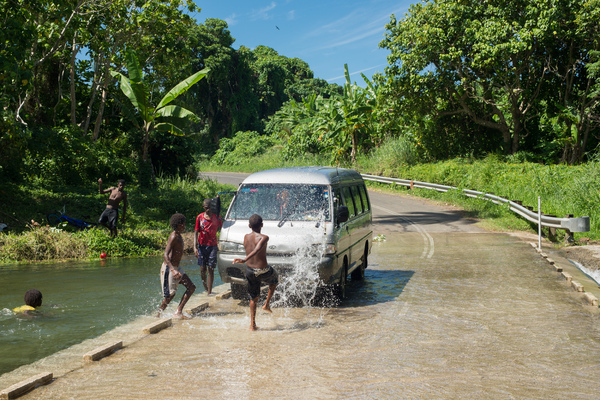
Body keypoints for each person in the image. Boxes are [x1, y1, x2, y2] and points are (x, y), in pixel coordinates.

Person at [233, 214, 278, 331]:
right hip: (263, 270)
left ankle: (252, 325)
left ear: (249, 225)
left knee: (253, 298)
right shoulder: (264, 237)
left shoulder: (245, 237)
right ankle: (267, 304)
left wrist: (245, 260)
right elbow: (257, 249)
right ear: (262, 225)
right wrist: (244, 259)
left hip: (250, 270)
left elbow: (253, 248)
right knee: (275, 278)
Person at [157, 213, 196, 319]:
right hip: (168, 269)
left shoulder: (179, 235)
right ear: (179, 225)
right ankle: (158, 315)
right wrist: (173, 270)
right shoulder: (173, 236)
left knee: (191, 287)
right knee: (170, 295)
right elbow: (165, 254)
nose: (185, 226)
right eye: (183, 224)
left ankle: (178, 311)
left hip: (176, 268)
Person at [194, 198, 222, 295]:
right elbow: (196, 232)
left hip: (213, 246)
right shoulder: (200, 217)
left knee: (210, 268)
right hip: (202, 246)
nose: (208, 210)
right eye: (206, 208)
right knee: (202, 269)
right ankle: (206, 288)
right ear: (203, 207)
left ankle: (209, 292)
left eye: (210, 208)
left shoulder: (217, 217)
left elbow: (222, 229)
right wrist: (195, 247)